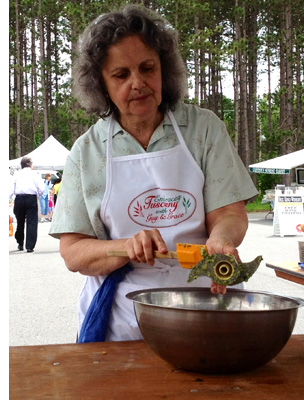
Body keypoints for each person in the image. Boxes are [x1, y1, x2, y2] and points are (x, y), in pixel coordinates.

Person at [49, 5, 258, 343]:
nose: (138, 83)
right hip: (124, 318)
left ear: (165, 70)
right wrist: (123, 247)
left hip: (206, 303)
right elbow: (73, 252)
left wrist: (222, 239)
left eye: (148, 68)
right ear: (100, 83)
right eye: (121, 75)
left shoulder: (203, 130)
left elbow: (230, 213)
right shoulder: (86, 152)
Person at [11, 157, 44, 253]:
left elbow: (10, 188)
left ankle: (20, 243)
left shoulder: (16, 174)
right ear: (31, 165)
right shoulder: (35, 174)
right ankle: (30, 246)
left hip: (19, 199)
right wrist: (37, 195)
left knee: (20, 222)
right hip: (31, 198)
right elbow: (41, 188)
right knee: (32, 222)